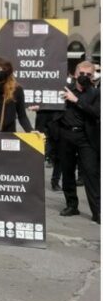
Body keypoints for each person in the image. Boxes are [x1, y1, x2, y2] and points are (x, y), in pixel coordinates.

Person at [56, 61, 100, 222]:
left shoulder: (96, 93)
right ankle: (72, 206)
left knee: (91, 173)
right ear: (75, 74)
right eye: (82, 73)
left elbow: (97, 112)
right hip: (66, 135)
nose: (84, 77)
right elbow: (52, 107)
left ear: (93, 76)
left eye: (88, 74)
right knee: (67, 172)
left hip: (86, 138)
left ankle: (98, 211)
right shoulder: (64, 90)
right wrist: (39, 108)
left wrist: (76, 100)